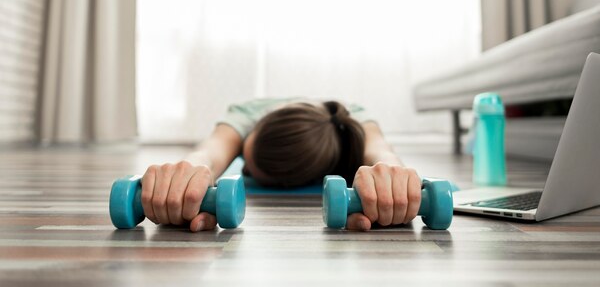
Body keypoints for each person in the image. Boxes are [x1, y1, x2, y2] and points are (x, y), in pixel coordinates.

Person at [140, 98, 422, 232]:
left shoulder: (358, 119)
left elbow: (380, 152)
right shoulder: (248, 112)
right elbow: (210, 151)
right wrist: (186, 172)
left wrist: (391, 178)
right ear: (256, 127)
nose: (245, 170)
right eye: (246, 165)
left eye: (247, 171)